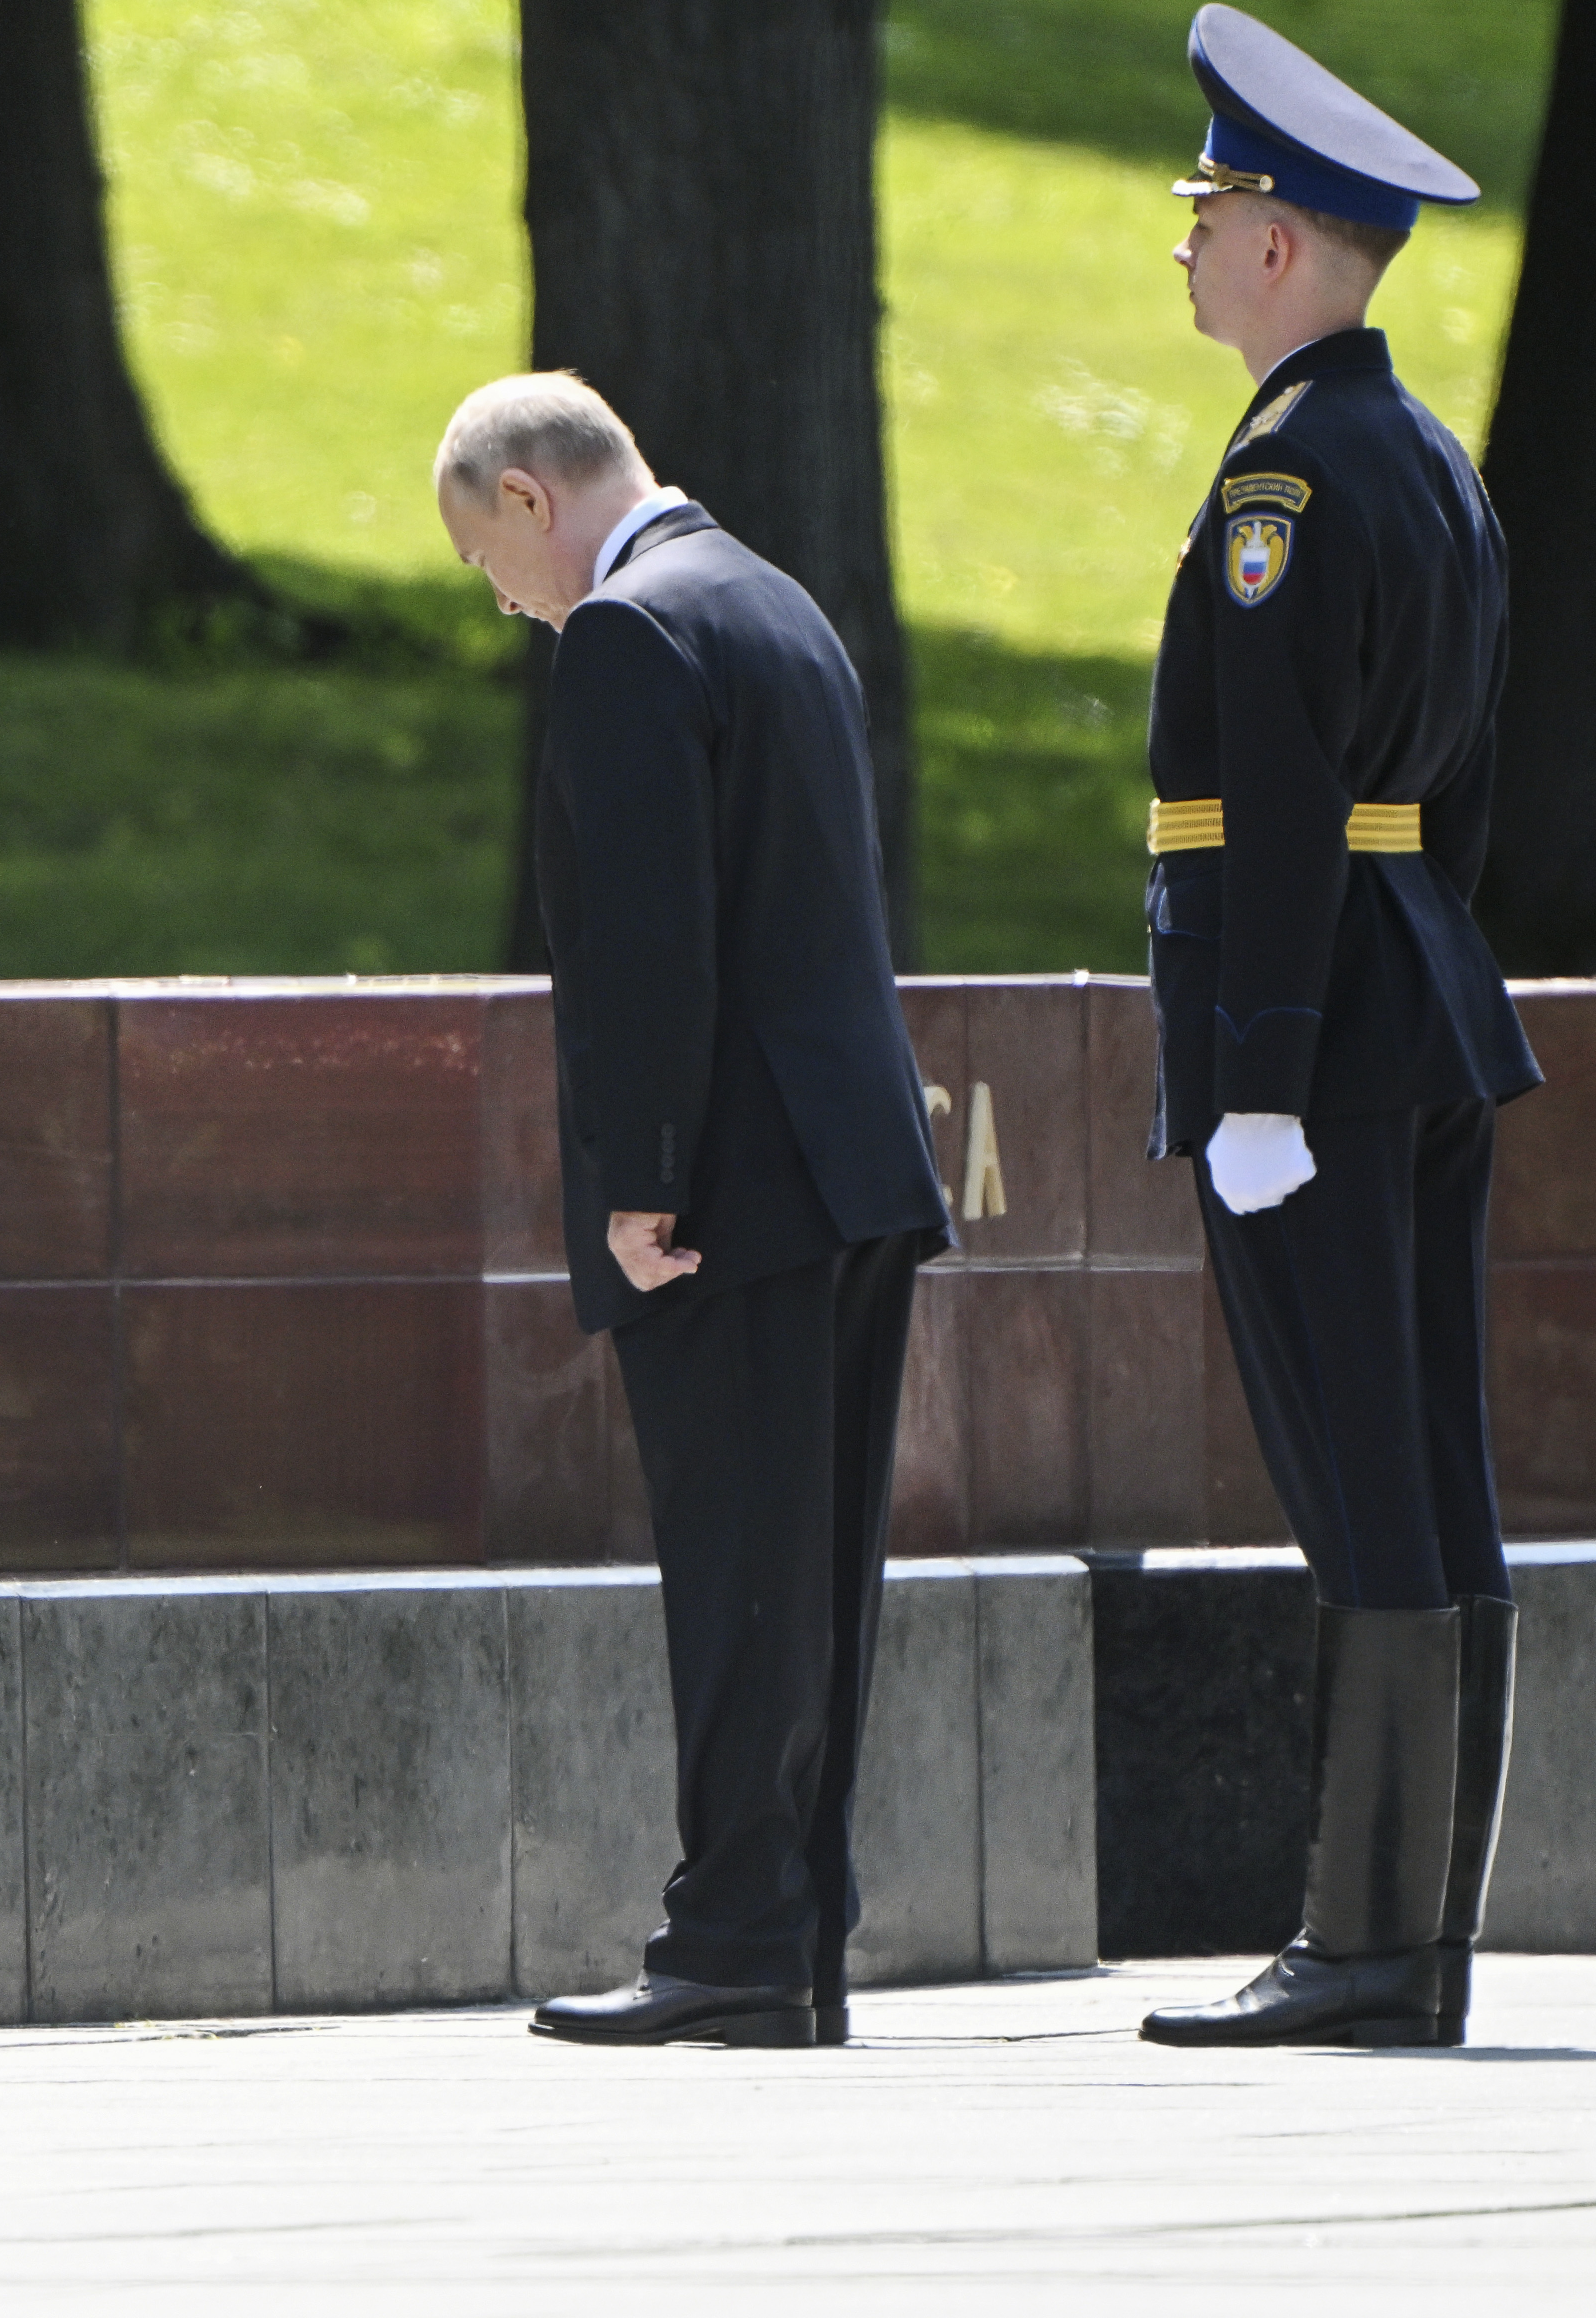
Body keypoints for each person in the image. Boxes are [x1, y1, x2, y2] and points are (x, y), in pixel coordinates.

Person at [433, 374, 952, 2050]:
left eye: (483, 559)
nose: (502, 601)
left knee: (738, 1567)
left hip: (728, 1188)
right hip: (853, 1166)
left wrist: (641, 1183)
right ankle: (792, 1930)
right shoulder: (772, 598)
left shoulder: (625, 634)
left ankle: (730, 1937)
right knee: (812, 1576)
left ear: (527, 497)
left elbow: (645, 946)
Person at [1130, 7, 1542, 2050]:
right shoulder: (1430, 461)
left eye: (1209, 212)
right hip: (1427, 998)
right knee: (1434, 1472)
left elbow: (1281, 794)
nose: (1187, 245)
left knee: (1365, 1477)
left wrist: (1261, 1069)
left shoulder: (1288, 472)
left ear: (1284, 245)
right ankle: (1415, 1932)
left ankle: (1369, 1944)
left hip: (1321, 1039)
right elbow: (1449, 796)